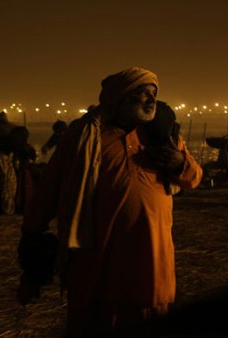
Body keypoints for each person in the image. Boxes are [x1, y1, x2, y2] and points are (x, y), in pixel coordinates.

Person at [17, 67, 202, 336]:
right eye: (143, 93)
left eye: (154, 93)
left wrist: (179, 162)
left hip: (152, 265)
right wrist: (32, 250)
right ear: (119, 98)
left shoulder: (162, 136)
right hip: (98, 267)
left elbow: (194, 178)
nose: (152, 100)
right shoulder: (84, 137)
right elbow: (49, 191)